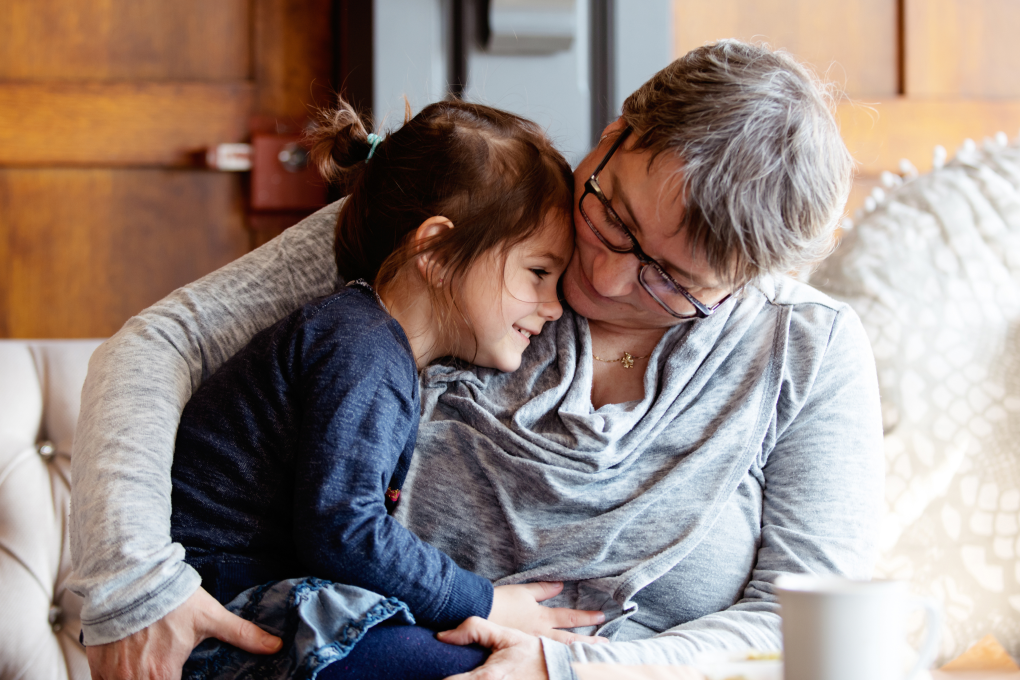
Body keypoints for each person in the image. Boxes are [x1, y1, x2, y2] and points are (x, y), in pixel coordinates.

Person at [69, 40, 884, 680]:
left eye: (669, 280)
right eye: (614, 218)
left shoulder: (805, 351)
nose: (598, 277)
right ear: (613, 133)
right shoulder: (477, 225)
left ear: (747, 283)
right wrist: (135, 584)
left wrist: (574, 670)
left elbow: (804, 627)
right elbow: (161, 341)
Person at [168, 97, 608, 679]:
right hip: (221, 614)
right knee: (480, 665)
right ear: (435, 248)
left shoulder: (372, 342)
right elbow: (343, 532)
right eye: (538, 272)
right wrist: (485, 601)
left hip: (269, 601)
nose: (554, 306)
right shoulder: (361, 347)